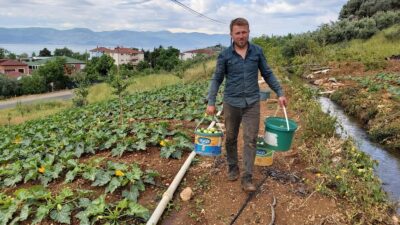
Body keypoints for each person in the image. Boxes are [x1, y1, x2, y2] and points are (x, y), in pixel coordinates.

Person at [206, 17, 287, 192]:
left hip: (252, 102)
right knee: (231, 138)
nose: (241, 36)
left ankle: (247, 177)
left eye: (244, 32)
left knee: (250, 139)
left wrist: (280, 92)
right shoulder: (225, 55)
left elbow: (268, 73)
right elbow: (216, 79)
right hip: (231, 103)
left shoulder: (257, 52)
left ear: (249, 32)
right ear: (231, 34)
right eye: (238, 33)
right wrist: (211, 101)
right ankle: (233, 166)